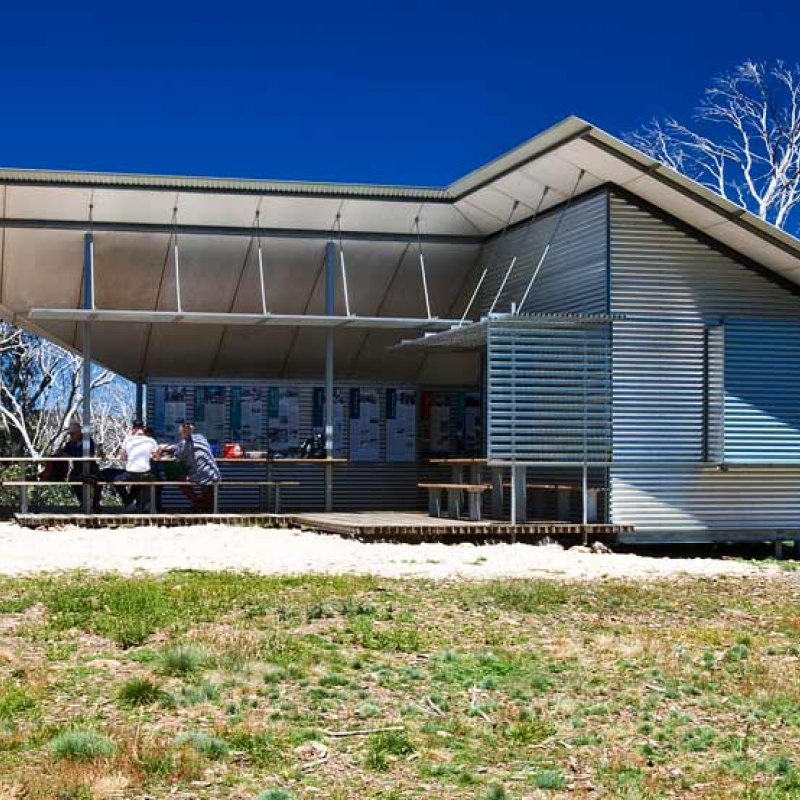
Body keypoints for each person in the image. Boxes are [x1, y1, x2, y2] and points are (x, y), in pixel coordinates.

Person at [167, 422, 221, 512]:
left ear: (182, 433)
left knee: (180, 479)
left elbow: (178, 457)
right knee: (208, 500)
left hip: (201, 477)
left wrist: (166, 449)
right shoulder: (201, 438)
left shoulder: (184, 446)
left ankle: (197, 504)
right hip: (215, 475)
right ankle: (199, 506)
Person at [55, 421, 100, 510]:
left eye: (73, 434)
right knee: (73, 479)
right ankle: (83, 502)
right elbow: (63, 452)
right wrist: (59, 452)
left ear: (79, 432)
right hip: (77, 469)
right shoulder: (70, 444)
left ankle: (96, 503)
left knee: (97, 480)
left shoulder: (88, 441)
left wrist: (70, 456)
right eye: (70, 434)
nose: (71, 436)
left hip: (91, 467)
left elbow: (87, 456)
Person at [118, 420, 158, 512]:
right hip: (145, 474)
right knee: (153, 479)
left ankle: (128, 503)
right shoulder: (151, 440)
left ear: (133, 429)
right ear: (143, 429)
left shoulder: (128, 439)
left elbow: (122, 457)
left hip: (131, 473)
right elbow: (157, 456)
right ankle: (150, 505)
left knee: (117, 481)